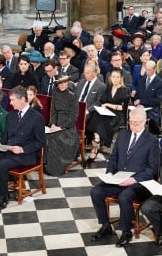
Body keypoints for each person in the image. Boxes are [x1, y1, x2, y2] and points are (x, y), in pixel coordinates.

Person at [90, 106, 159, 247]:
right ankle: (106, 225)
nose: (132, 125)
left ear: (144, 121)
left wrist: (133, 180)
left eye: (136, 122)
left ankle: (126, 232)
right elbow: (113, 157)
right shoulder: (123, 134)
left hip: (140, 182)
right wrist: (109, 173)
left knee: (124, 196)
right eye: (130, 121)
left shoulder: (151, 140)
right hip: (118, 179)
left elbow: (152, 169)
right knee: (96, 191)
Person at [0, 86, 45, 209]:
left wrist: (23, 149)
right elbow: (5, 137)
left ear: (22, 99)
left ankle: (4, 198)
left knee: (1, 165)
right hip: (8, 151)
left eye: (12, 100)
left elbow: (40, 142)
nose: (10, 103)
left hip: (26, 154)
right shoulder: (11, 115)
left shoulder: (36, 117)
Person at [86, 68, 130, 162]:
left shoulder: (124, 90)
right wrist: (103, 106)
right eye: (113, 77)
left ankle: (95, 147)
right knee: (96, 116)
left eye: (117, 77)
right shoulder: (108, 88)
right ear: (110, 77)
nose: (115, 79)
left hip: (117, 115)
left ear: (121, 78)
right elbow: (102, 101)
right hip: (106, 113)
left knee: (100, 120)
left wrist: (108, 105)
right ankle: (97, 139)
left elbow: (122, 107)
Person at [44, 74, 80, 176]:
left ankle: (56, 168)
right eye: (61, 83)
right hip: (56, 124)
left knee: (56, 138)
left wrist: (61, 127)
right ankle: (46, 165)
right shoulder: (55, 94)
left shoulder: (73, 97)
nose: (63, 84)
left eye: (65, 82)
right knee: (46, 136)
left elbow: (73, 117)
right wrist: (53, 124)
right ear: (57, 85)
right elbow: (53, 112)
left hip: (68, 128)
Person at [134, 60, 162, 135]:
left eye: (149, 70)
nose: (147, 71)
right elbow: (137, 96)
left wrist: (141, 101)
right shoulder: (141, 80)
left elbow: (158, 100)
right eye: (146, 69)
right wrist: (137, 102)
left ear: (155, 69)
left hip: (152, 111)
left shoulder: (159, 82)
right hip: (140, 109)